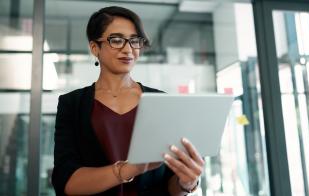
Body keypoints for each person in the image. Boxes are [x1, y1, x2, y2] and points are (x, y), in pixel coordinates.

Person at [51, 6, 204, 195]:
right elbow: (66, 182)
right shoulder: (72, 104)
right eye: (116, 40)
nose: (128, 49)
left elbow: (169, 187)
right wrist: (128, 169)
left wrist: (187, 183)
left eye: (134, 41)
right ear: (94, 47)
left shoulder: (161, 101)